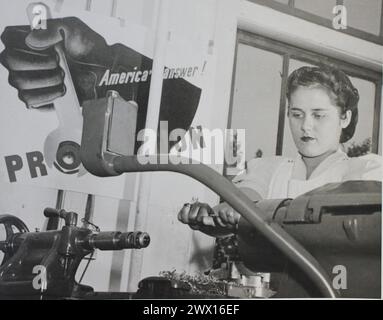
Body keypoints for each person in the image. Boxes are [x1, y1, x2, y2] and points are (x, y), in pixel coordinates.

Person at [178, 65, 382, 237]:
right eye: (297, 114)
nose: (306, 126)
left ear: (344, 118)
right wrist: (209, 216)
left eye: (318, 115)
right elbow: (238, 204)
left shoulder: (362, 171)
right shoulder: (269, 169)